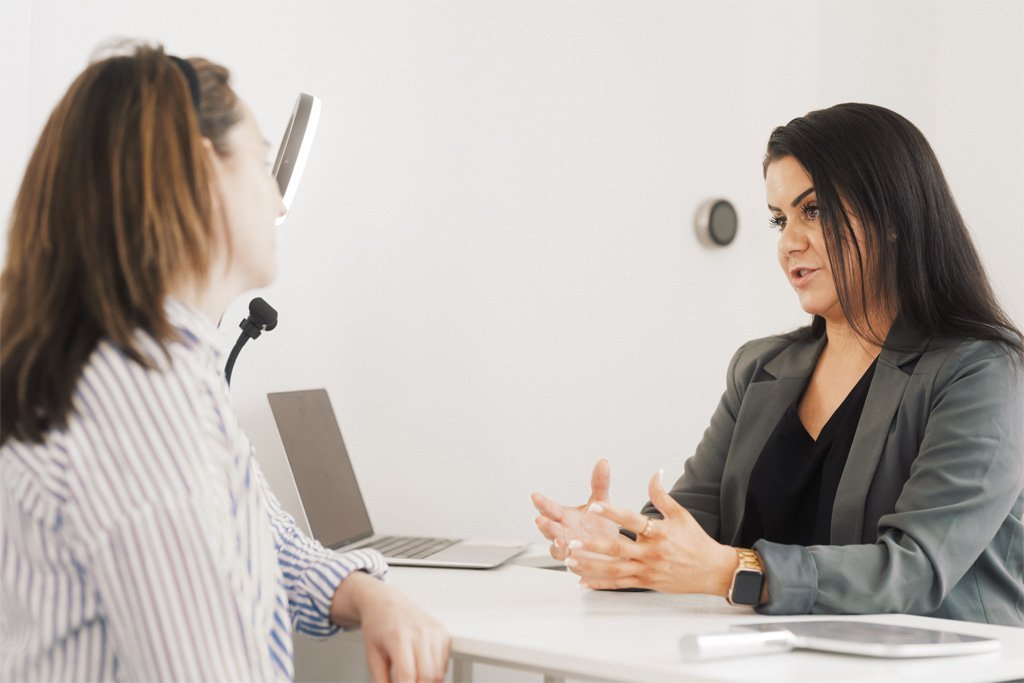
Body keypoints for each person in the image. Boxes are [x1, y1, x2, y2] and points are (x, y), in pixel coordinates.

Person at [0, 44, 449, 681]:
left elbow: (262, 538)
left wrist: (371, 595)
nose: (279, 203)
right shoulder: (139, 401)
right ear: (203, 172)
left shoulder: (163, 372)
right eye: (263, 165)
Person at [532, 103, 1024, 626]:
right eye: (780, 218)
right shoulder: (761, 367)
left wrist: (733, 571)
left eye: (813, 211)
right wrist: (621, 544)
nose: (790, 242)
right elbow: (692, 522)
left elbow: (915, 569)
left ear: (893, 218)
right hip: (789, 663)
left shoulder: (982, 372)